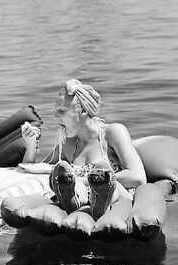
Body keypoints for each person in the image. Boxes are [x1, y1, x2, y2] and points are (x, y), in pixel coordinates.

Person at [21, 78, 146, 228]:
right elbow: (35, 169)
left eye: (61, 111)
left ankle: (97, 196)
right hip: (82, 203)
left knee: (106, 184)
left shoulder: (112, 133)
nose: (55, 117)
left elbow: (138, 177)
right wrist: (30, 144)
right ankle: (74, 200)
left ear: (84, 110)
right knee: (69, 183)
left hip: (116, 200)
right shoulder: (68, 143)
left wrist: (87, 180)